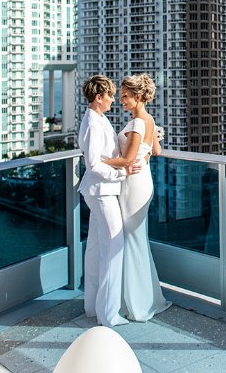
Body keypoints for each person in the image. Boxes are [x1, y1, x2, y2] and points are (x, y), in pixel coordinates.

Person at [101, 73, 172, 321]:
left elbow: (128, 160)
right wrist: (141, 157)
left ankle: (136, 303)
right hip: (142, 182)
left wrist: (99, 161)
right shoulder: (148, 120)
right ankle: (143, 298)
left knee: (131, 240)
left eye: (125, 96)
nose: (121, 100)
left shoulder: (137, 123)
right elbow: (156, 150)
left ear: (138, 96)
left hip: (133, 185)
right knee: (136, 240)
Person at [78, 75, 138, 327]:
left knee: (95, 249)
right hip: (102, 191)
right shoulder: (93, 122)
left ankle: (93, 306)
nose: (114, 100)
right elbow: (92, 163)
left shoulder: (98, 119)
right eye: (111, 95)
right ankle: (108, 314)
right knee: (114, 248)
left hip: (99, 190)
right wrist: (121, 171)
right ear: (99, 96)